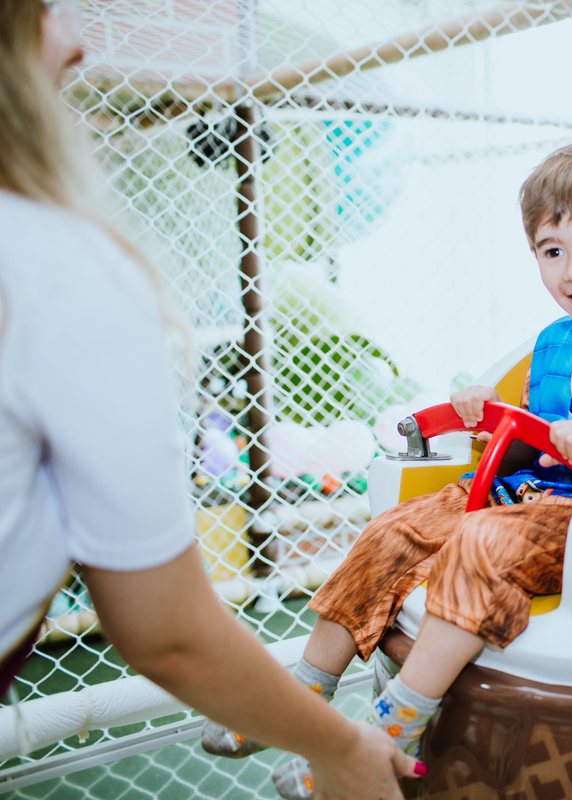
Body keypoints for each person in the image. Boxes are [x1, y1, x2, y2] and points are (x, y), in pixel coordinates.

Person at [201, 143, 572, 799]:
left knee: (479, 541)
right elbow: (533, 438)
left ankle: (380, 743)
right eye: (552, 251)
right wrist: (486, 415)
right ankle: (294, 708)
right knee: (390, 532)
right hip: (518, 496)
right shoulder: (556, 340)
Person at [0, 1, 422, 797]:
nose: (78, 40)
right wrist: (347, 752)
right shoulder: (56, 265)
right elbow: (166, 628)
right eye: (47, 11)